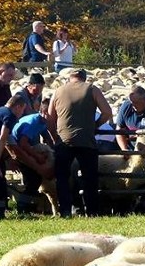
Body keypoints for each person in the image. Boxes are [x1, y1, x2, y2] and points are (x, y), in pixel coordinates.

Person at [48, 68, 113, 217]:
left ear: (70, 77)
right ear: (84, 78)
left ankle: (65, 210)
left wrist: (54, 137)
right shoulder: (92, 89)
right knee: (89, 177)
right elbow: (108, 112)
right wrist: (95, 125)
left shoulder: (58, 91)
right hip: (87, 141)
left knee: (62, 177)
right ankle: (92, 212)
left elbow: (51, 118)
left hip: (64, 140)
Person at [8, 97, 53, 214]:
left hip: (22, 150)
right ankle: (23, 206)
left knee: (34, 179)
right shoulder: (33, 122)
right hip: (15, 150)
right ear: (43, 112)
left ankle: (32, 205)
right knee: (34, 179)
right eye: (52, 113)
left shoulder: (42, 122)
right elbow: (23, 143)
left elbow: (48, 137)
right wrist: (37, 157)